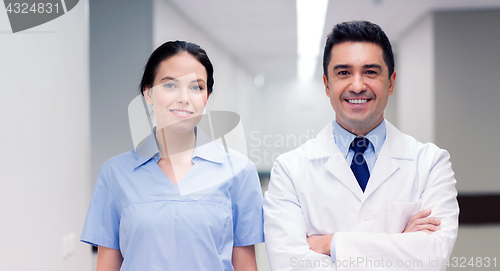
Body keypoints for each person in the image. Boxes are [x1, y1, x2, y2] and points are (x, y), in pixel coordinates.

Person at [263, 21, 459, 270]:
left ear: (390, 82)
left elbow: (433, 257)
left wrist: (331, 244)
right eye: (343, 73)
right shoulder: (289, 170)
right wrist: (401, 245)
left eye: (370, 72)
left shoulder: (431, 163)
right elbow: (287, 264)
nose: (357, 86)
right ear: (326, 84)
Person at [81, 41, 264, 271]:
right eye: (170, 86)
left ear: (206, 96)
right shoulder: (114, 174)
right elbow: (107, 266)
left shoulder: (239, 172)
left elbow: (246, 265)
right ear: (148, 93)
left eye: (197, 87)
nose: (184, 98)